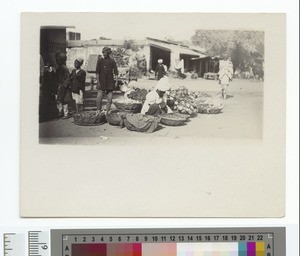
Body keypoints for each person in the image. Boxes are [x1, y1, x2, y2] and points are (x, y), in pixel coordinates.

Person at [95, 47, 118, 114]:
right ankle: (98, 110)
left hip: (110, 82)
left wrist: (116, 81)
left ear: (108, 53)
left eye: (105, 52)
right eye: (103, 52)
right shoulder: (100, 60)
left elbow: (116, 72)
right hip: (101, 82)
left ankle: (107, 111)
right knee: (99, 98)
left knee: (110, 99)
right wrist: (98, 82)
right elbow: (97, 72)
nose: (104, 54)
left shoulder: (112, 61)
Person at [55, 52, 72, 119]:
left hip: (64, 87)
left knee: (64, 100)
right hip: (60, 86)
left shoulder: (64, 68)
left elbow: (68, 77)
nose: (57, 61)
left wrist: (64, 85)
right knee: (59, 100)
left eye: (58, 60)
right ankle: (60, 112)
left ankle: (65, 113)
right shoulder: (59, 68)